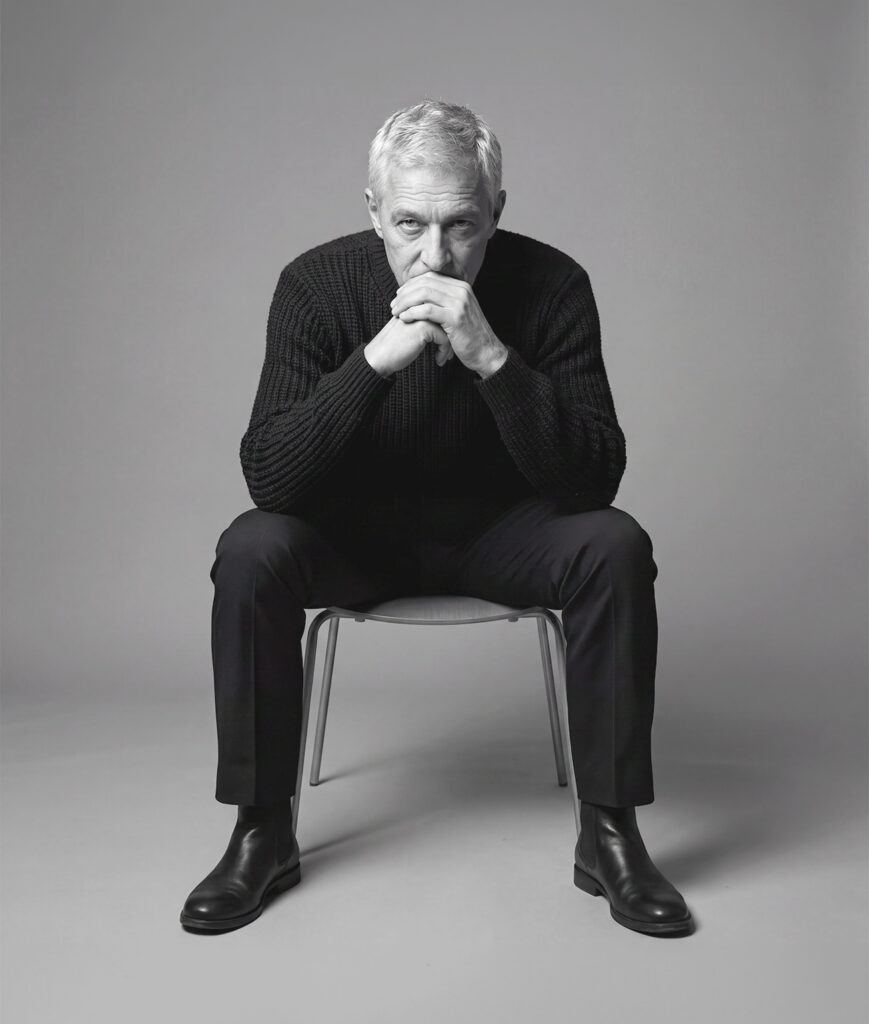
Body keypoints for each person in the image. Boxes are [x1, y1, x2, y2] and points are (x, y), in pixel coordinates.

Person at [180, 99, 694, 937]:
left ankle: (609, 834)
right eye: (409, 224)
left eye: (461, 225)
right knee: (250, 547)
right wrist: (373, 362)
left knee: (614, 544)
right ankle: (260, 832)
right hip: (358, 539)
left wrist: (491, 357)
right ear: (373, 212)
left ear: (496, 211)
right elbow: (270, 478)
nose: (435, 255)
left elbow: (592, 478)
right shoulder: (314, 285)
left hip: (502, 535)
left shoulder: (553, 284)